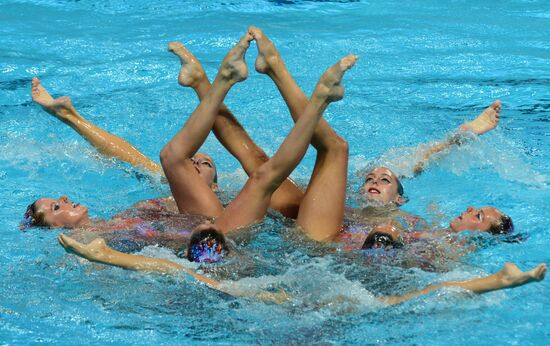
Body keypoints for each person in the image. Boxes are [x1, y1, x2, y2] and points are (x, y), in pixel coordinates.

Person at [57, 233, 547, 305]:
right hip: (321, 305)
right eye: (209, 247)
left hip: (270, 305)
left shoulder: (256, 276)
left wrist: (110, 258)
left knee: (197, 277)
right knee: (385, 304)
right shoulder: (264, 269)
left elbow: (181, 272)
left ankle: (499, 280)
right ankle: (499, 281)